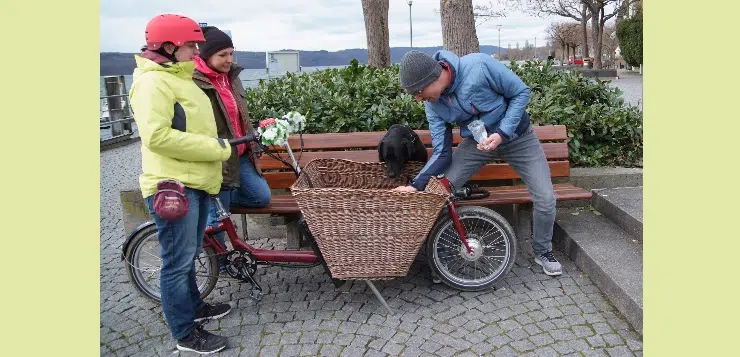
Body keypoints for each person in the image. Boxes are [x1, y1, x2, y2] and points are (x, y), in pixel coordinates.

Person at [392, 50, 562, 277]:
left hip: (517, 138)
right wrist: (416, 185)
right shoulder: (433, 104)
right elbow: (442, 152)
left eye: (419, 92)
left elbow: (521, 92)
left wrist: (502, 133)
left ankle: (543, 252)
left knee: (546, 198)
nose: (418, 99)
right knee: (439, 190)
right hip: (477, 144)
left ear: (431, 79)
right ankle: (441, 257)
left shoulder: (479, 66)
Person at [129, 14, 234, 354]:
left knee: (189, 254)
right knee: (177, 262)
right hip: (173, 185)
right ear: (170, 46)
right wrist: (214, 148)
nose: (195, 51)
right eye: (191, 45)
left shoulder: (178, 77)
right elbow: (157, 136)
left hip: (195, 179)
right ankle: (184, 334)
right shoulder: (152, 83)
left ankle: (196, 310)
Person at [193, 26, 271, 268]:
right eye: (222, 55)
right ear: (206, 56)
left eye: (231, 53)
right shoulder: (196, 83)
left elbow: (240, 117)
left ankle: (215, 203)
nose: (229, 59)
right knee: (217, 218)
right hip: (220, 160)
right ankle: (220, 264)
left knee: (262, 197)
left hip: (242, 155)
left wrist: (256, 133)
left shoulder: (232, 79)